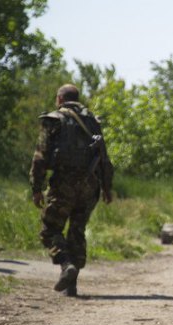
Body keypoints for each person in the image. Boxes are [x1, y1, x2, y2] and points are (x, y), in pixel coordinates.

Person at [29, 84, 114, 297]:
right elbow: (104, 158)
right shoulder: (93, 121)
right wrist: (107, 188)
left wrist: (36, 188)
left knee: (50, 229)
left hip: (63, 185)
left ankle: (67, 265)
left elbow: (40, 157)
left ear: (60, 99)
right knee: (77, 231)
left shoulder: (54, 120)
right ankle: (71, 285)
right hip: (90, 186)